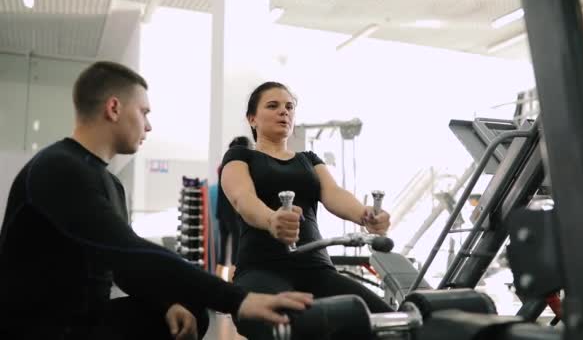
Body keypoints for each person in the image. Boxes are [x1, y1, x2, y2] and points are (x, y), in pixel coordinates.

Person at [0, 63, 312, 340]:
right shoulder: (58, 168)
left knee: (189, 312)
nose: (148, 126)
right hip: (39, 327)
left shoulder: (110, 183)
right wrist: (240, 299)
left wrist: (166, 303)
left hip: (84, 319)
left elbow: (125, 269)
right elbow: (128, 251)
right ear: (113, 108)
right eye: (144, 112)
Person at [220, 81, 394, 339]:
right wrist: (271, 220)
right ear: (252, 118)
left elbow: (334, 194)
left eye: (289, 107)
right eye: (273, 106)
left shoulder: (309, 160)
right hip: (261, 268)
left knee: (388, 322)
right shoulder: (240, 157)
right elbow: (242, 199)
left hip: (317, 270)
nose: (284, 112)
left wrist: (365, 215)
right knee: (284, 327)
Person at [216, 136, 254, 282]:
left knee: (223, 249)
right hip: (232, 212)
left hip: (221, 212)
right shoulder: (237, 166)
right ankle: (232, 283)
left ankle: (219, 282)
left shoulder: (222, 166)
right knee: (235, 250)